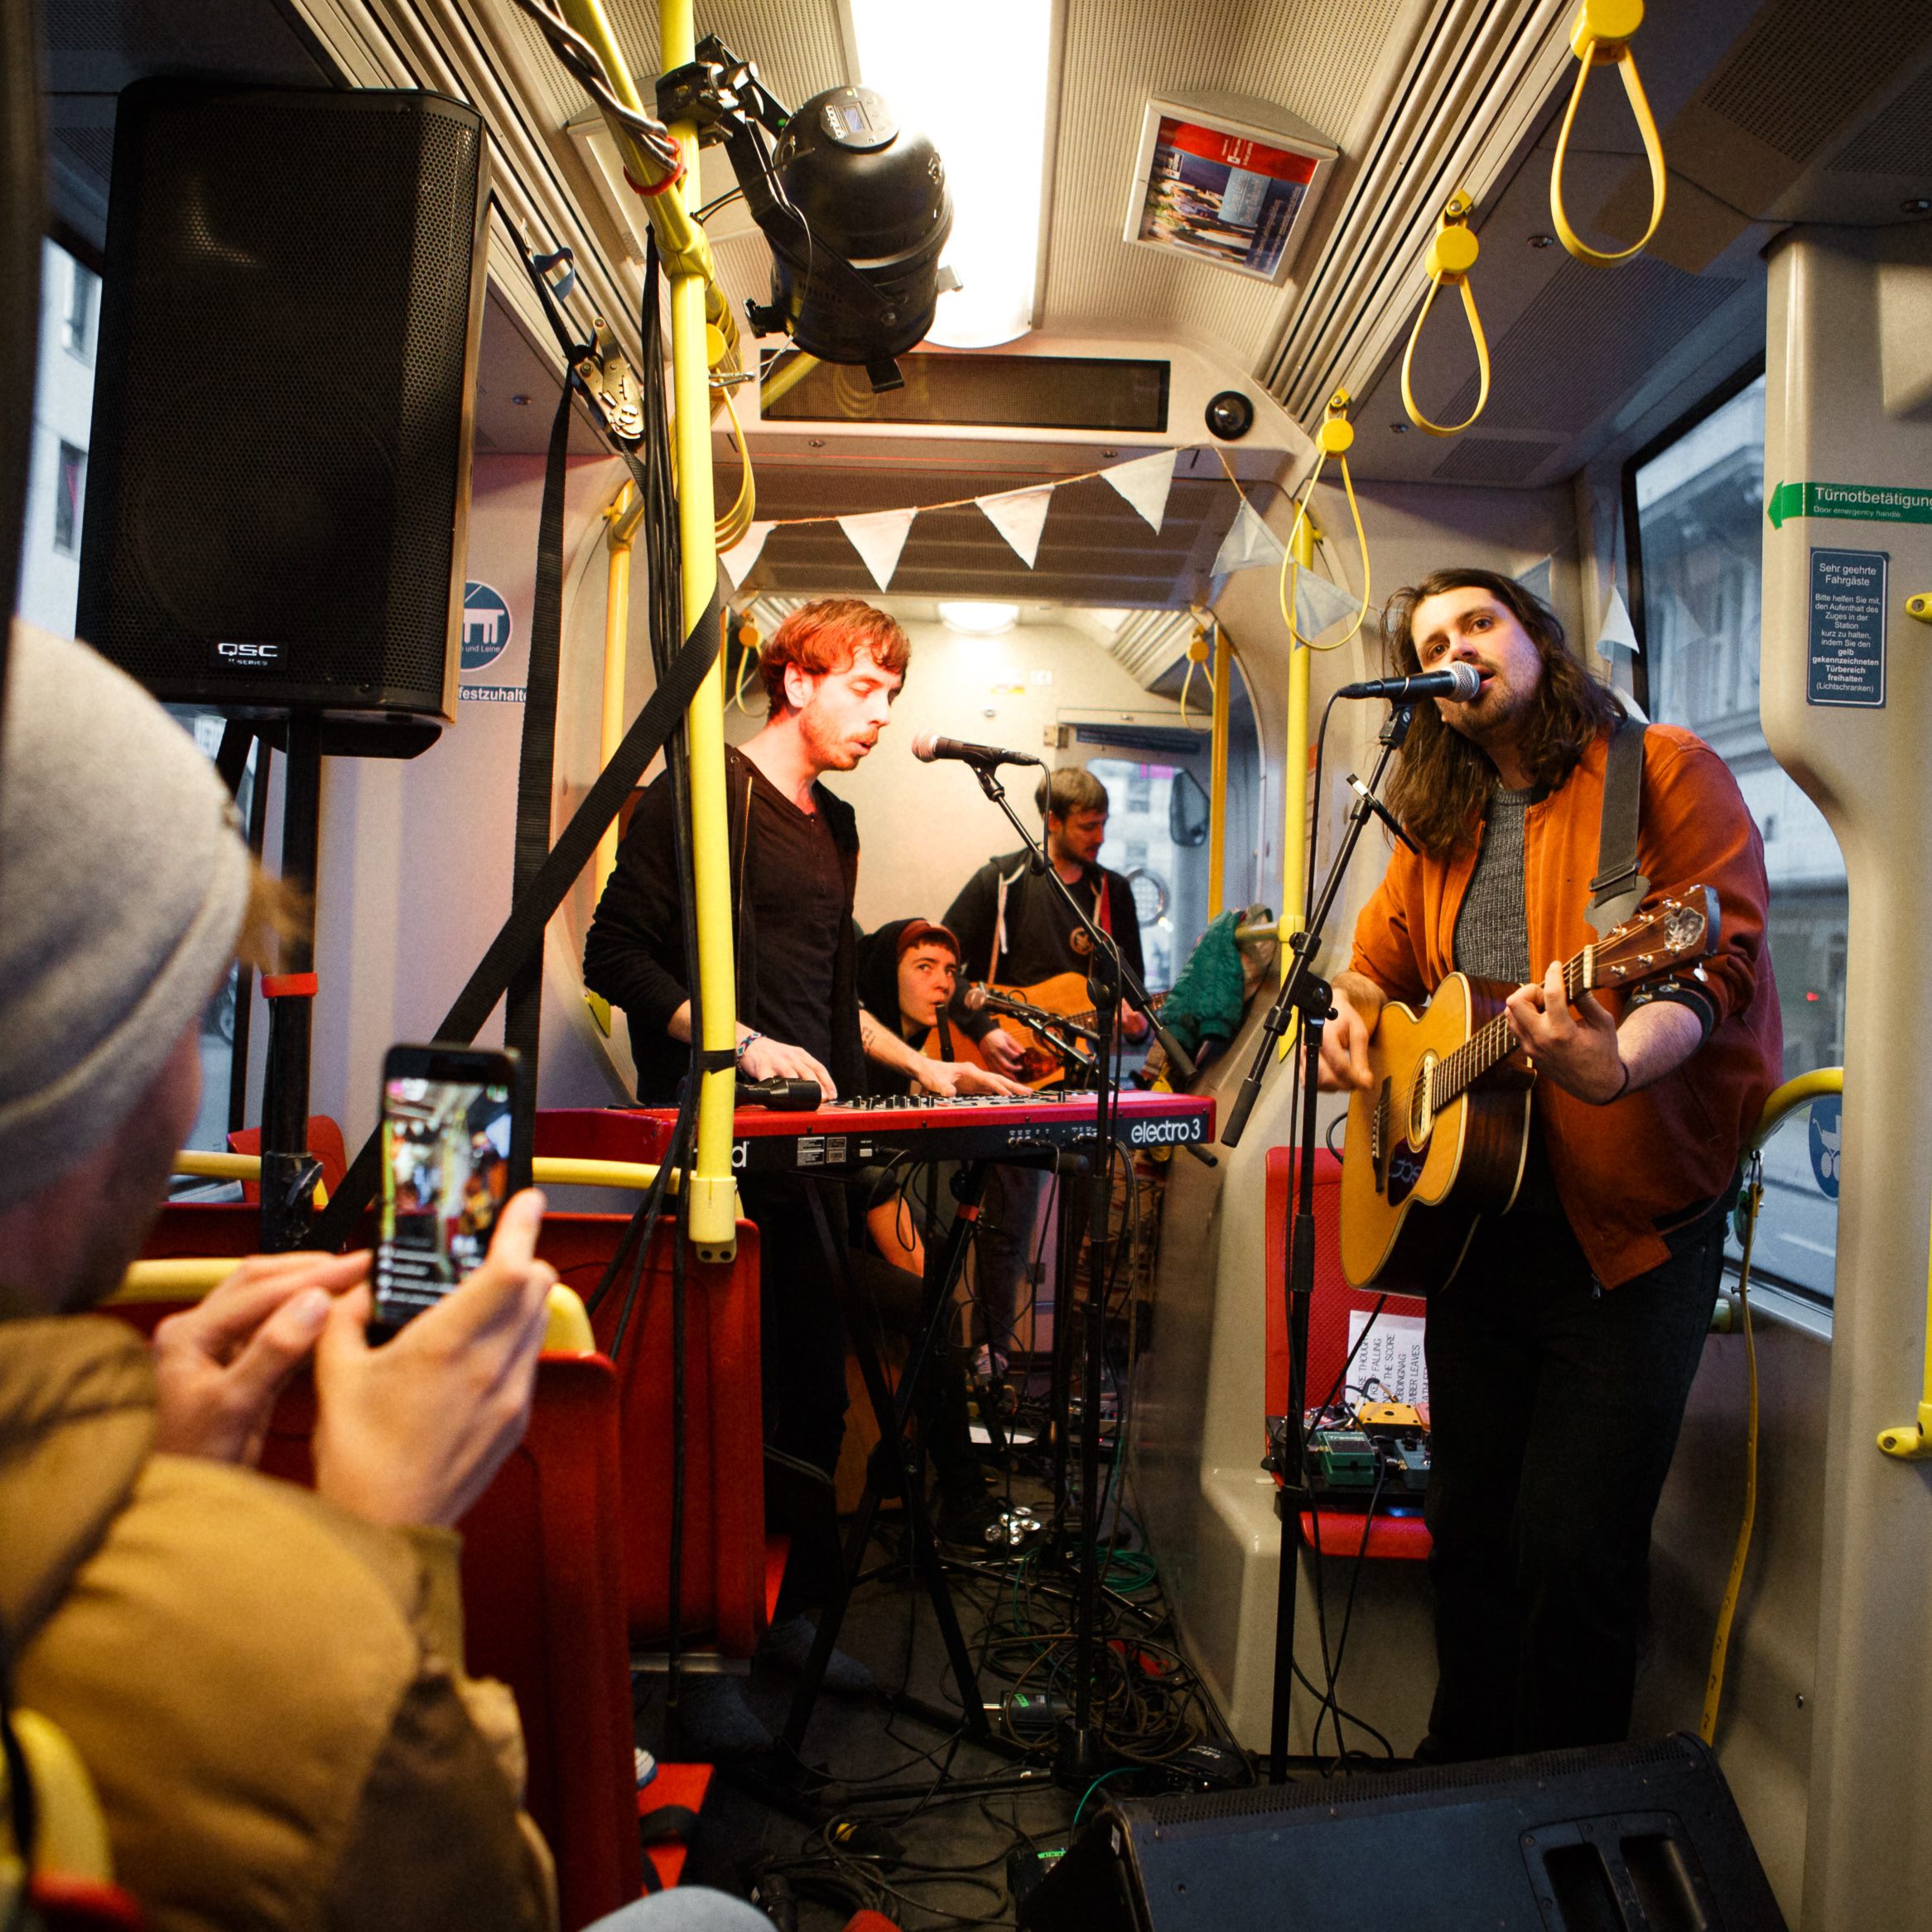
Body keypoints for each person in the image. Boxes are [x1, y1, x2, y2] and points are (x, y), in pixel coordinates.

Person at [1316, 568, 1781, 1761]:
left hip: (1627, 1233)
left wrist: (1613, 1063)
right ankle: (1456, 1784)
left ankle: (1556, 1818)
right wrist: (1359, 1019)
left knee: (1573, 1554)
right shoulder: (1444, 817)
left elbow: (1706, 970)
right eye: (1434, 640)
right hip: (1483, 1232)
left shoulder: (1661, 769)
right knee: (1468, 1530)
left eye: (1481, 622)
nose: (1459, 647)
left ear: (1536, 639)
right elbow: (1370, 964)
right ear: (1429, 692)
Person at [583, 600, 1024, 1750]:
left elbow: (831, 1008)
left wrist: (927, 1077)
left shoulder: (831, 824)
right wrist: (727, 1041)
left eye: (891, 692)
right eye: (866, 689)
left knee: (810, 1399)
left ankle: (784, 1625)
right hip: (718, 1153)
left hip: (806, 1159)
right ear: (798, 683)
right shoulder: (706, 793)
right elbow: (615, 954)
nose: (883, 716)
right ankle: (696, 1658)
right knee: (714, 1405)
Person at [941, 767, 1149, 1374]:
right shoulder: (998, 882)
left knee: (1086, 1229)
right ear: (1051, 822)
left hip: (1084, 1081)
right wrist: (986, 1031)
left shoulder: (1112, 894)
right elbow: (942, 972)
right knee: (1005, 1224)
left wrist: (1134, 1018)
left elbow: (1129, 987)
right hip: (1009, 1079)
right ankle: (991, 1355)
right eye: (1089, 825)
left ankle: (1073, 1367)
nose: (1100, 836)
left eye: (1104, 823)